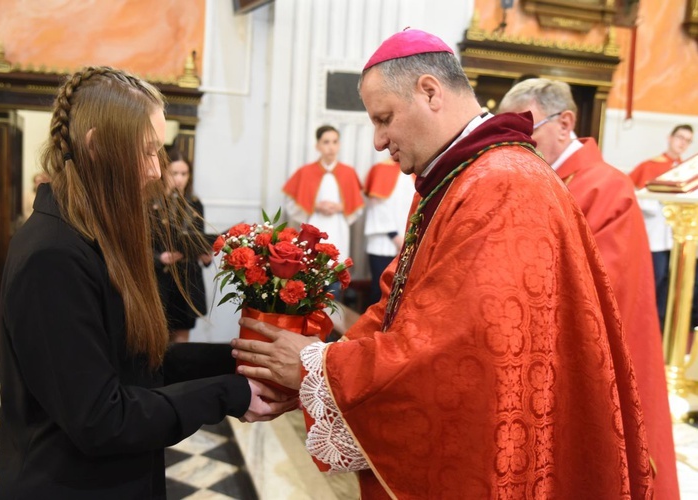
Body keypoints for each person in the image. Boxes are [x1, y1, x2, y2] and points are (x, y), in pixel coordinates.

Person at [232, 30, 655, 498]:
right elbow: (398, 303)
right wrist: (319, 373)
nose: (378, 141)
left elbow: (453, 355)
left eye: (384, 119)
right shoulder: (456, 176)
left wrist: (318, 367)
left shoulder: (503, 186)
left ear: (430, 91)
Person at [0, 66, 296, 499]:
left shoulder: (93, 233)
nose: (156, 170)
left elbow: (136, 367)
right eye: (146, 151)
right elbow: (102, 418)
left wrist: (242, 358)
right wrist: (230, 393)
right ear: (97, 146)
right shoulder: (53, 254)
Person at [498, 78, 678, 500]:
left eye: (526, 132)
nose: (517, 146)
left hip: (598, 356)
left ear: (565, 123)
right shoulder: (541, 178)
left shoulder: (604, 185)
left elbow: (603, 282)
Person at [282, 125, 364, 299]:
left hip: (338, 228)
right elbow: (291, 202)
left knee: (334, 280)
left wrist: (342, 207)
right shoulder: (306, 172)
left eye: (335, 142)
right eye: (326, 142)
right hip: (315, 227)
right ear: (318, 146)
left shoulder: (348, 173)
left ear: (339, 145)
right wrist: (316, 206)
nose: (331, 147)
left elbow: (358, 205)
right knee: (311, 283)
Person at [629, 124, 694, 330]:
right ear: (670, 137)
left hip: (677, 236)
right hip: (655, 233)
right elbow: (633, 193)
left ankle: (659, 325)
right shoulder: (650, 165)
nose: (682, 143)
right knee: (653, 279)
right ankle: (641, 323)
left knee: (670, 283)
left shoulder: (687, 170)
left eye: (687, 140)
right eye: (680, 137)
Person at [153, 147, 212, 343]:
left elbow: (199, 238)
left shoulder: (194, 203)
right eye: (174, 173)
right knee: (158, 338)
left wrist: (206, 256)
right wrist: (160, 258)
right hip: (159, 279)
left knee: (182, 342)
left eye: (184, 174)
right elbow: (138, 245)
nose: (179, 179)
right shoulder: (150, 202)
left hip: (187, 280)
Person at [362, 157, 414, 305]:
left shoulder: (415, 172)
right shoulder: (380, 169)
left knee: (403, 293)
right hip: (383, 244)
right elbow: (377, 208)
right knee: (380, 291)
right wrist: (396, 237)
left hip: (409, 242)